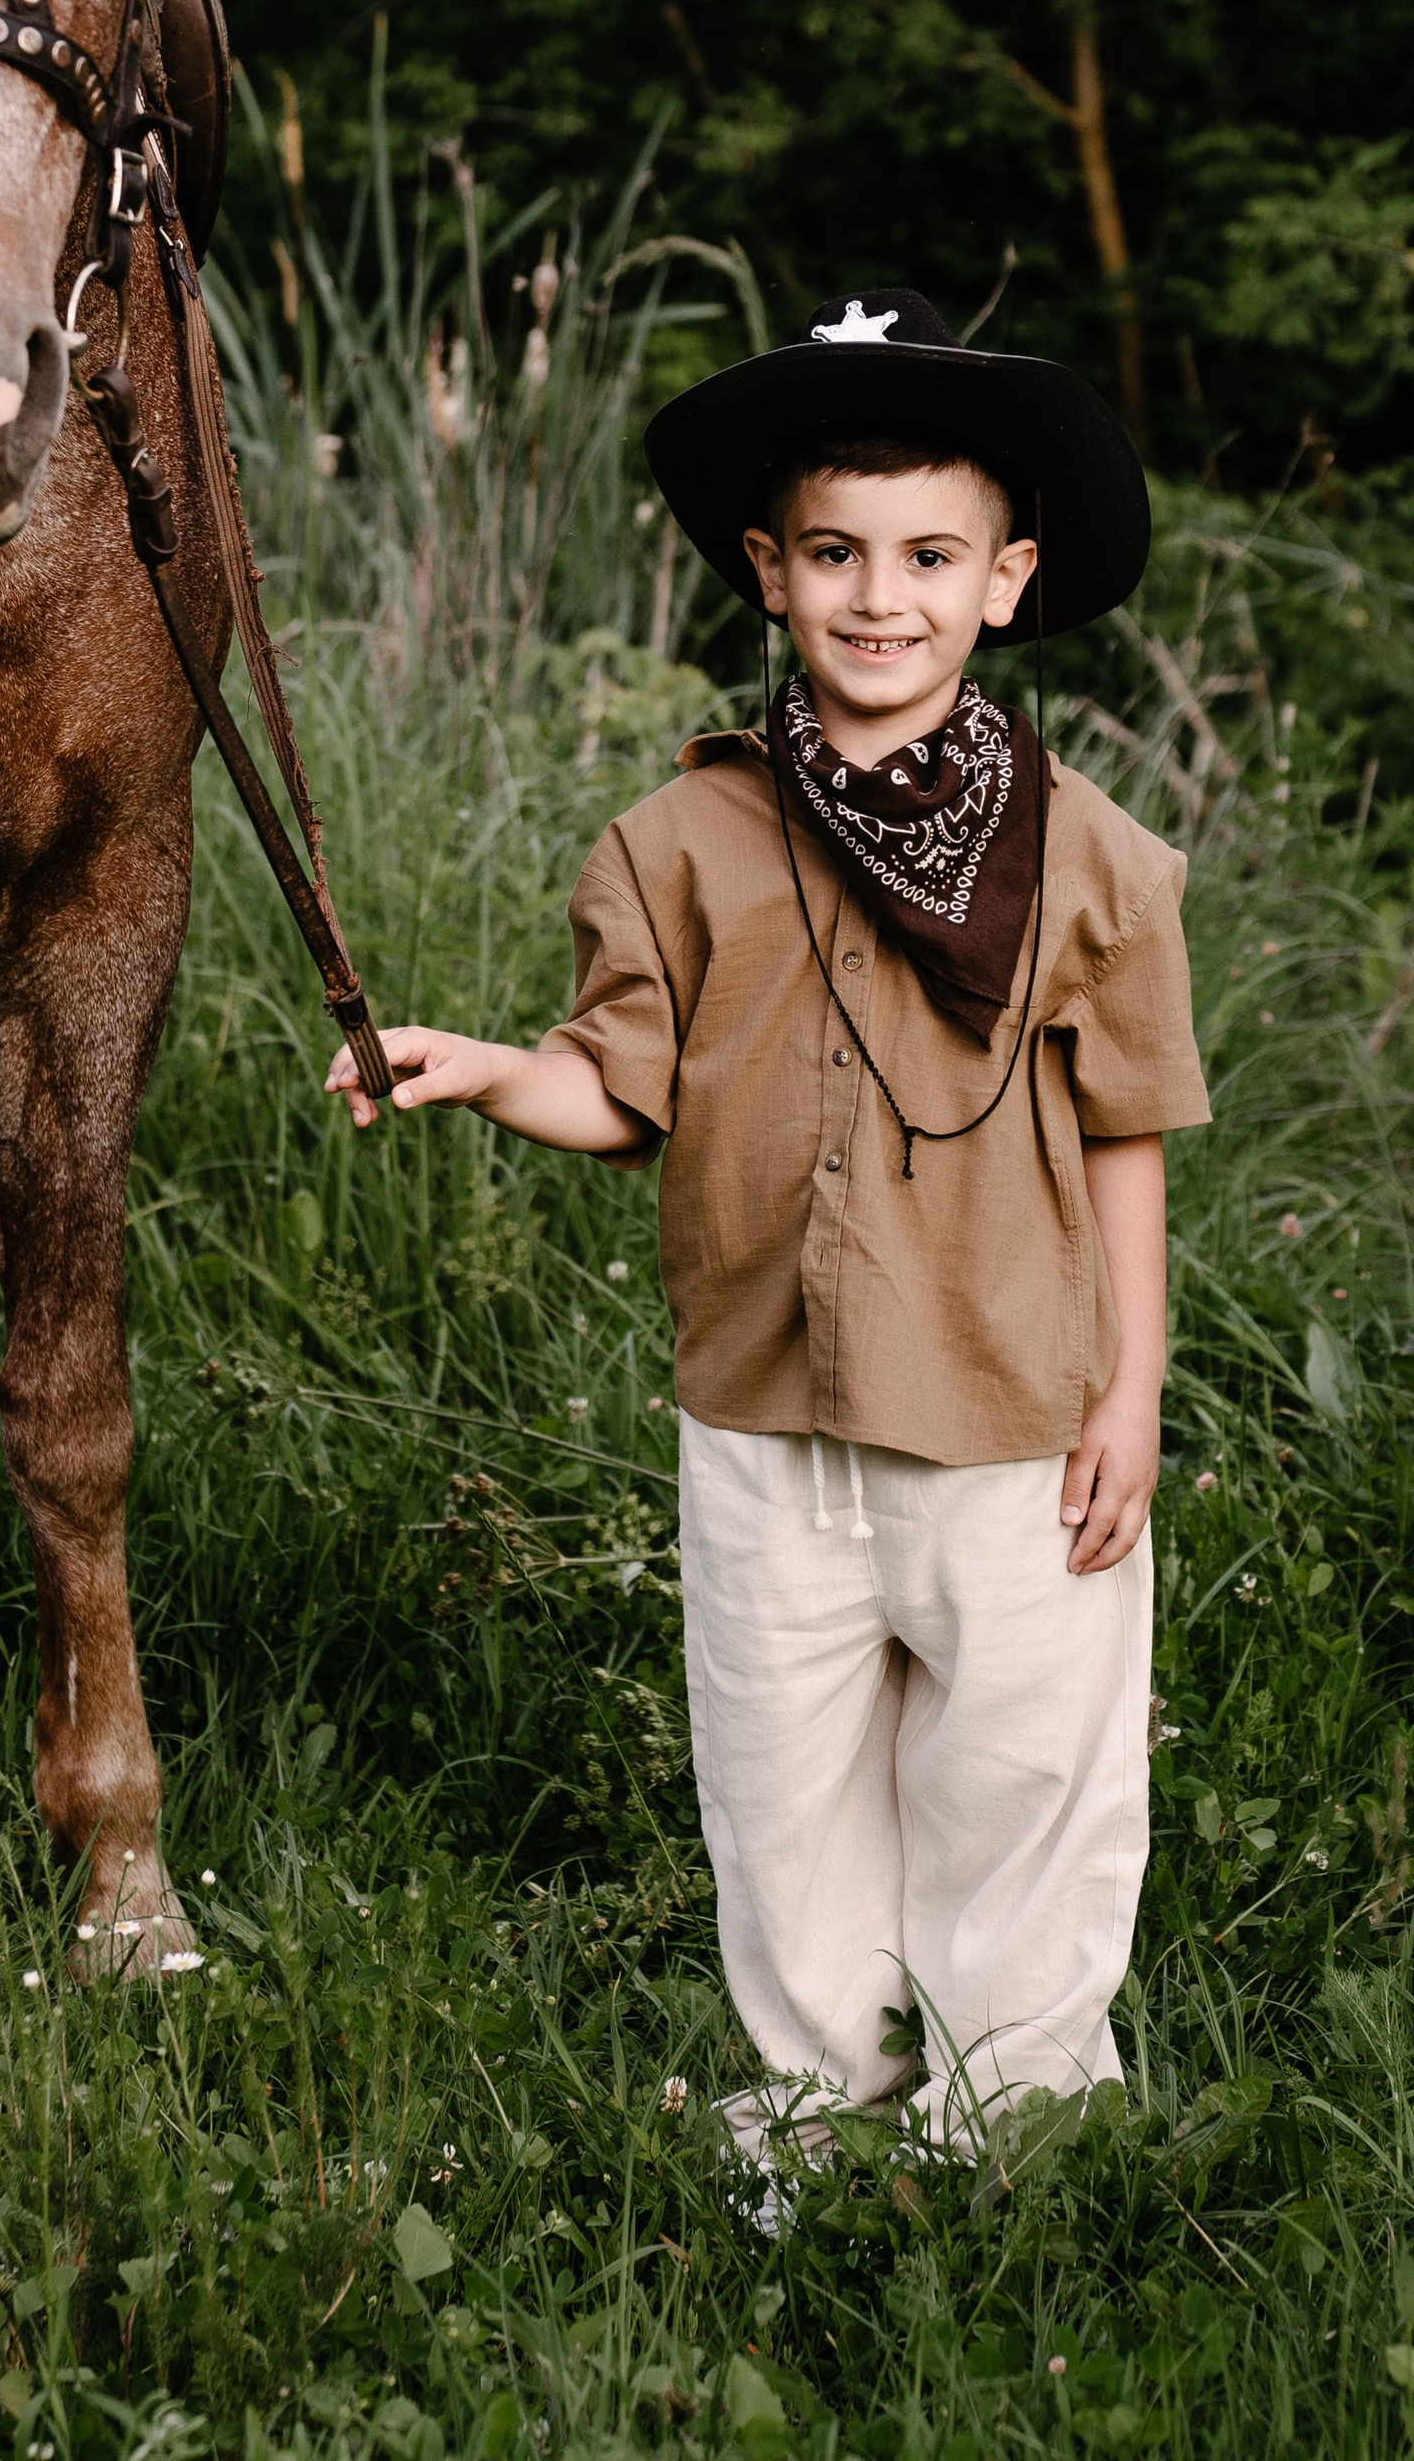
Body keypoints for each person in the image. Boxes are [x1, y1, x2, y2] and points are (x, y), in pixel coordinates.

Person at [327, 287, 1208, 2165]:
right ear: (768, 570)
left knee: (1026, 1775)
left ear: (1006, 579)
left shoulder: (1099, 857)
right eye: (834, 554)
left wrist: (1133, 1387)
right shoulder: (677, 844)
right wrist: (486, 1067)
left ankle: (1018, 2117)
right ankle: (816, 2096)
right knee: (784, 1786)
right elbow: (618, 1089)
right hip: (764, 1414)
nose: (879, 596)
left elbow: (1129, 1129)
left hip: (1015, 1409)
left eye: (928, 557)